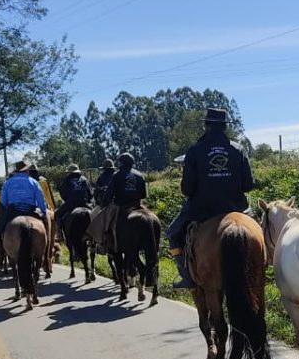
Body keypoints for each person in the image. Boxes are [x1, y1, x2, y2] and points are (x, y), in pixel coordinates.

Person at [167, 107, 255, 288]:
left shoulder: (194, 150)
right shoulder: (238, 149)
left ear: (206, 125)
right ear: (224, 126)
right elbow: (248, 185)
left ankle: (186, 277)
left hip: (202, 211)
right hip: (237, 208)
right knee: (259, 232)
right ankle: (265, 267)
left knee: (172, 233)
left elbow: (188, 190)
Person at [103, 152, 148, 254]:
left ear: (121, 163)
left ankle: (110, 242)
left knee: (108, 223)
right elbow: (144, 194)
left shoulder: (117, 175)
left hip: (121, 206)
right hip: (137, 205)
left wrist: (107, 201)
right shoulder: (140, 175)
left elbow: (109, 194)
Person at [0, 160, 47, 238]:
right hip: (30, 210)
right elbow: (41, 199)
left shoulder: (8, 182)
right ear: (27, 170)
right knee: (45, 225)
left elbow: (3, 201)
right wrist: (43, 212)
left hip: (13, 210)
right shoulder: (34, 182)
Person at [55, 163, 93, 235]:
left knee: (57, 214)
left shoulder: (66, 180)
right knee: (95, 214)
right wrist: (88, 200)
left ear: (69, 172)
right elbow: (90, 193)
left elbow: (63, 193)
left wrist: (67, 200)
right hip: (84, 203)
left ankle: (59, 233)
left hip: (70, 204)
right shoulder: (84, 179)